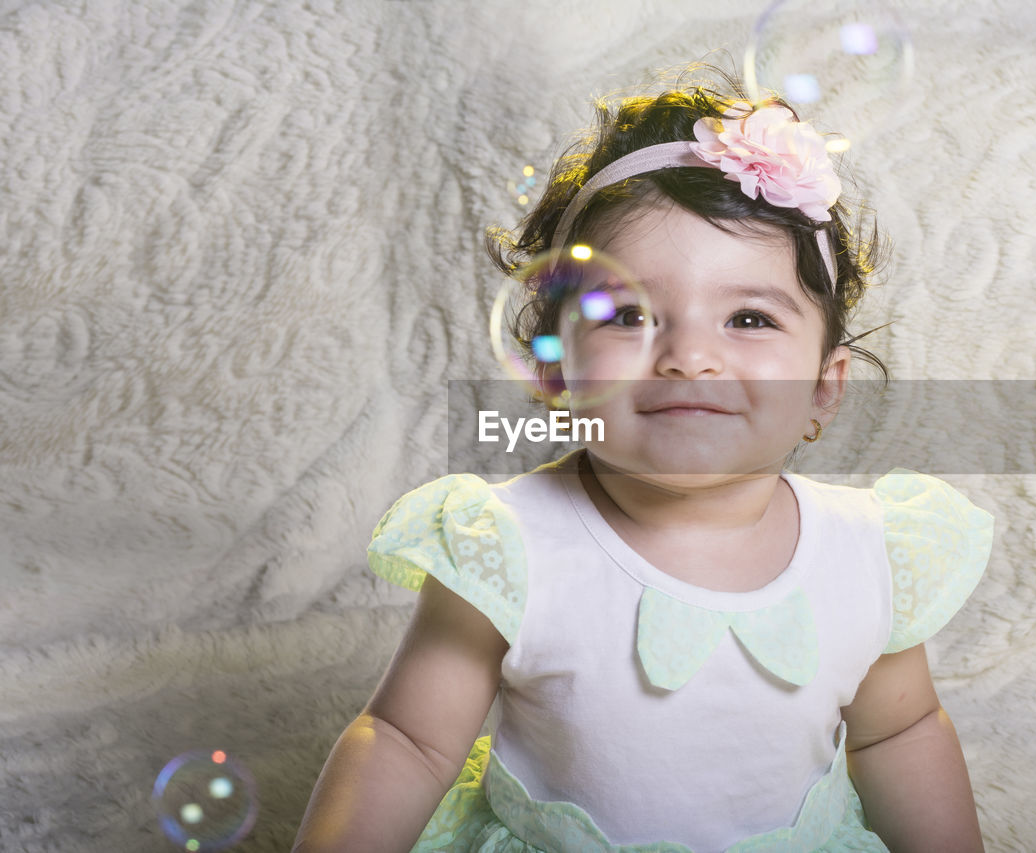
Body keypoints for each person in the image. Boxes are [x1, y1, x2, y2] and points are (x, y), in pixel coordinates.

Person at [293, 65, 995, 853]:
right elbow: (407, 738)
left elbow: (896, 734)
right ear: (556, 369)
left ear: (823, 391)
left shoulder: (870, 552)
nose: (690, 355)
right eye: (628, 313)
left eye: (751, 318)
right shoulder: (506, 545)